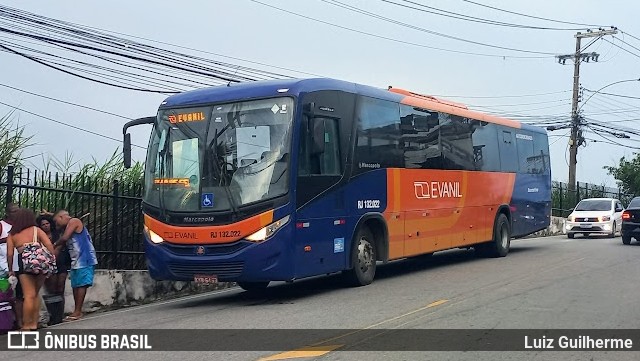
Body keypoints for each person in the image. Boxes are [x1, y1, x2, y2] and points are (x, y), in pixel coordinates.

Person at [6, 208, 56, 331]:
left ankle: (27, 325)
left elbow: (10, 254)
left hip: (24, 264)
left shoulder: (12, 234)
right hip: (40, 263)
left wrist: (11, 269)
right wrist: (51, 259)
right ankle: (34, 323)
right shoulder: (36, 230)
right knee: (35, 294)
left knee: (28, 295)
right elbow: (49, 245)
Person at [53, 210, 97, 321]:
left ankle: (77, 311)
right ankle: (76, 311)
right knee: (76, 285)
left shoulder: (74, 221)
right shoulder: (66, 228)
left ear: (62, 217)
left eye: (56, 221)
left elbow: (64, 238)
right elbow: (60, 246)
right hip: (76, 260)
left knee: (81, 285)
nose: (56, 224)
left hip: (85, 258)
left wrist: (53, 244)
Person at [0, 203, 21, 330]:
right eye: (14, 211)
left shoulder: (21, 225)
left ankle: (19, 322)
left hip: (21, 266)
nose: (17, 213)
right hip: (5, 268)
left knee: (19, 296)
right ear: (8, 213)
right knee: (7, 296)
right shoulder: (2, 225)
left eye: (18, 211)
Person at [39, 214, 70, 297]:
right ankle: (54, 309)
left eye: (47, 223)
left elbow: (65, 218)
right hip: (48, 264)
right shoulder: (39, 237)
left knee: (61, 286)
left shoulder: (57, 234)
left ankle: (60, 308)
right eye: (43, 224)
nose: (46, 226)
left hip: (60, 262)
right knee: (51, 289)